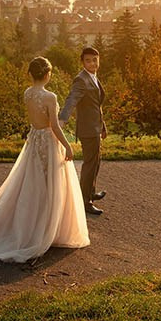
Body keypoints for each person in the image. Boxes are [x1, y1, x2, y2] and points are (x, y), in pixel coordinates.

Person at [0, 57, 90, 263]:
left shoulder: (28, 93)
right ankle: (45, 230)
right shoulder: (50, 97)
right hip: (47, 142)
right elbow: (54, 126)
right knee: (50, 184)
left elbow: (36, 121)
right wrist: (68, 145)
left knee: (31, 183)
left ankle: (34, 225)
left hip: (34, 139)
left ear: (31, 74)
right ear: (47, 75)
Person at [59, 46, 107, 215]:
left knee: (96, 162)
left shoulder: (93, 77)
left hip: (95, 127)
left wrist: (103, 126)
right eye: (88, 60)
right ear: (82, 62)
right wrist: (62, 119)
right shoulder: (81, 80)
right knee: (89, 165)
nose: (92, 63)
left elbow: (96, 105)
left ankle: (91, 192)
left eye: (95, 60)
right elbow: (71, 100)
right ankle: (85, 202)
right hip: (88, 130)